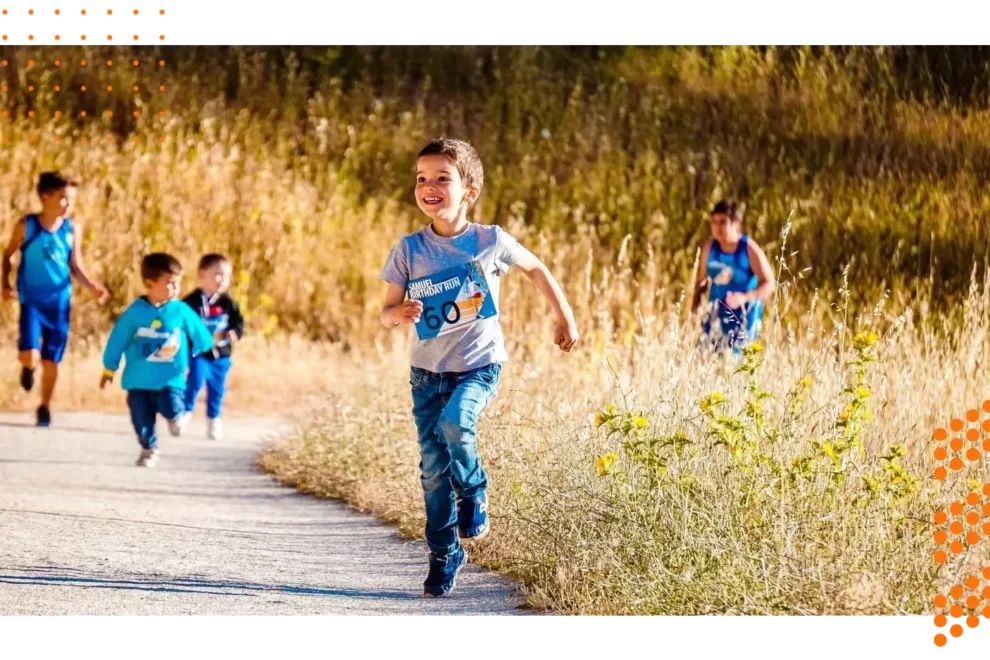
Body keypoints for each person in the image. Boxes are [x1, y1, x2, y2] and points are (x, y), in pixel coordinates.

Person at [379, 138, 579, 598]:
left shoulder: (489, 240)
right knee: (433, 471)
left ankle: (473, 490)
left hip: (478, 366)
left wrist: (564, 316)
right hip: (426, 375)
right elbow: (386, 312)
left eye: (442, 179)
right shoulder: (408, 249)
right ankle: (444, 552)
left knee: (456, 423)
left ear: (468, 192)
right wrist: (399, 314)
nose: (429, 187)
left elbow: (536, 269)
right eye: (421, 179)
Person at [1, 171, 109, 427]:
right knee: (30, 354)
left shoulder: (72, 229)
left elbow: (75, 265)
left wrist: (92, 286)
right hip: (32, 301)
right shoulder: (28, 225)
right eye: (63, 197)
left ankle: (44, 406)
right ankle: (28, 368)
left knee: (52, 359)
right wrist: (4, 283)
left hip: (59, 303)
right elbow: (8, 255)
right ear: (45, 197)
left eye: (71, 199)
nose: (68, 204)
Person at [100, 253, 214, 467]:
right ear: (149, 283)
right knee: (140, 419)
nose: (176, 287)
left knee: (171, 405)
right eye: (170, 282)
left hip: (170, 379)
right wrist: (109, 369)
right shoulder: (135, 313)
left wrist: (203, 347)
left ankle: (176, 416)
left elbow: (201, 335)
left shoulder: (180, 310)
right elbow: (117, 340)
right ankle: (149, 449)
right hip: (138, 380)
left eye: (178, 282)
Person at [691, 199, 776, 354]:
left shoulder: (748, 249)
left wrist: (745, 297)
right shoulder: (710, 249)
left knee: (732, 363)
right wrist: (695, 311)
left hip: (743, 318)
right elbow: (701, 283)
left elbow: (769, 283)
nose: (717, 227)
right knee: (703, 357)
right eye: (714, 222)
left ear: (736, 224)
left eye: (723, 222)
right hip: (715, 315)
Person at [180, 253, 245, 441]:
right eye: (217, 274)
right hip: (198, 352)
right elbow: (181, 322)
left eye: (226, 276)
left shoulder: (227, 302)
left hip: (221, 354)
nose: (222, 280)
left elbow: (238, 322)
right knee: (195, 379)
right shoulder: (191, 301)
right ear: (202, 275)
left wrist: (234, 333)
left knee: (217, 389)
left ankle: (213, 419)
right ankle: (185, 413)